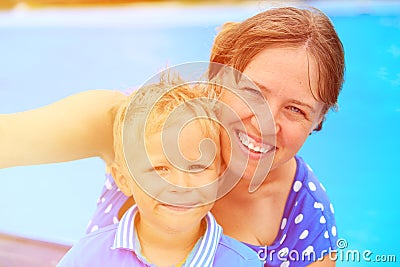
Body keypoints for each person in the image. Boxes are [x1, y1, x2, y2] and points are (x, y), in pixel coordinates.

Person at [1, 5, 344, 267]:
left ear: (318, 120)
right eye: (252, 91)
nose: (265, 123)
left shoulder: (303, 215)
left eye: (295, 109)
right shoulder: (138, 124)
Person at [57, 76, 262, 266]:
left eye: (197, 167)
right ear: (124, 179)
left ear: (220, 175)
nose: (180, 185)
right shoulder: (89, 256)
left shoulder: (242, 262)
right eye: (160, 169)